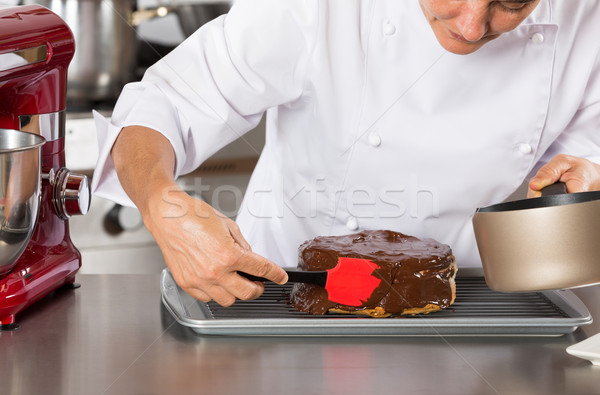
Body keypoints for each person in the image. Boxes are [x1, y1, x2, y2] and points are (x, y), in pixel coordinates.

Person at [92, 0, 600, 307]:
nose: (471, 28)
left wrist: (577, 181)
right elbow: (169, 102)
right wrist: (161, 205)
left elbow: (581, 155)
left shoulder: (588, 17)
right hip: (284, 299)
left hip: (460, 305)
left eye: (511, 4)